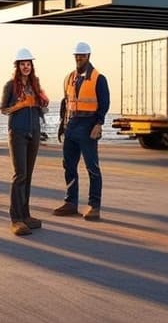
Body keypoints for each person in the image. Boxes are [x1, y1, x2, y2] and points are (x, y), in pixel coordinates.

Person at [53, 42, 109, 222]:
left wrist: (99, 124)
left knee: (92, 168)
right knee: (68, 165)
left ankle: (94, 205)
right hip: (71, 126)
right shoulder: (69, 78)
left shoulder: (98, 78)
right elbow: (66, 102)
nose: (79, 58)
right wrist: (62, 125)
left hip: (88, 126)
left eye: (82, 56)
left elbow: (104, 103)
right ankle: (70, 202)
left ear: (88, 56)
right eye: (77, 56)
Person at [0, 48, 48, 236]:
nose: (26, 67)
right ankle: (16, 218)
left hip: (34, 131)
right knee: (19, 175)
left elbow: (39, 107)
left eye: (28, 64)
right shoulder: (10, 86)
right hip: (17, 132)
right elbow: (3, 109)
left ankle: (26, 215)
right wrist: (19, 105)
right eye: (22, 64)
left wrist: (41, 104)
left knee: (28, 175)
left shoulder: (35, 84)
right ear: (17, 66)